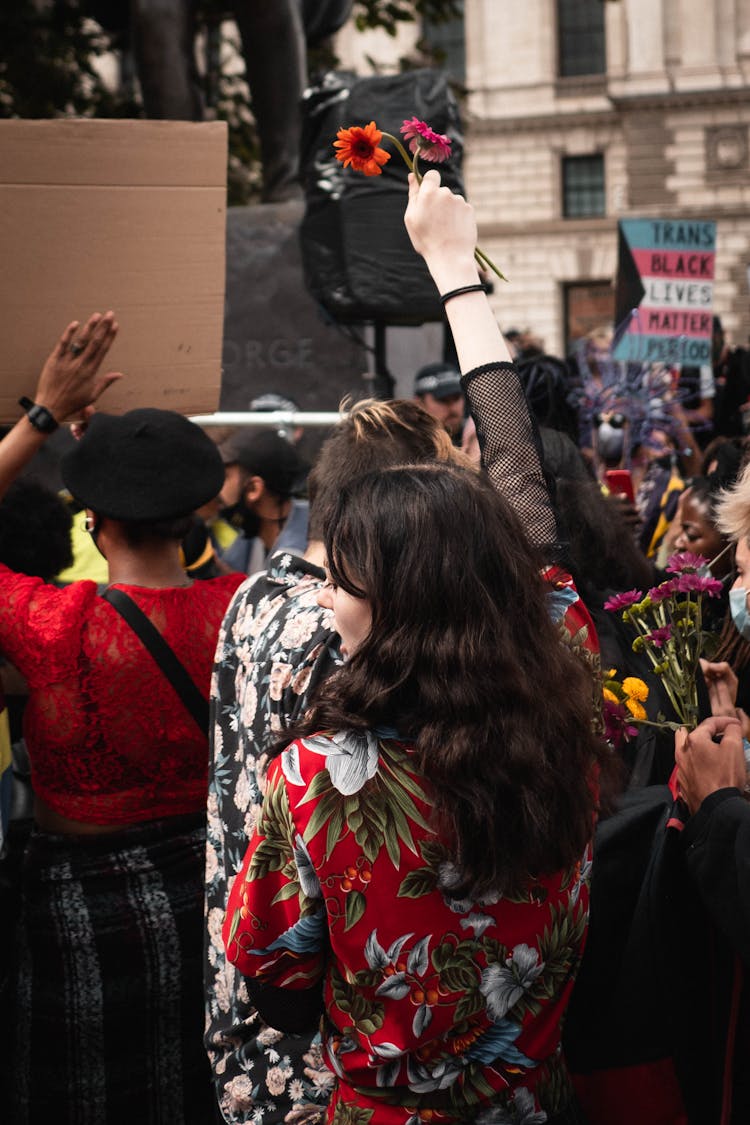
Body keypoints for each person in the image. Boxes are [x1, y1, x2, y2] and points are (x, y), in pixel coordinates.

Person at [222, 171, 610, 1124]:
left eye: (341, 576)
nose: (328, 594)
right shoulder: (565, 679)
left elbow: (275, 984)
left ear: (391, 604)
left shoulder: (314, 776)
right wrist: (452, 270)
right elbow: (516, 471)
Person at [0, 311, 245, 1124]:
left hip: (76, 908)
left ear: (90, 521)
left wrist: (41, 416)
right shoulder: (246, 608)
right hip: (214, 891)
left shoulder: (51, 622)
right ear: (194, 512)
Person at [206, 398, 467, 1124]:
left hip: (260, 989)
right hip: (333, 1032)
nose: (330, 596)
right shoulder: (352, 645)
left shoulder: (253, 594)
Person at [219, 428, 309, 574]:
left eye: (225, 477)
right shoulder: (250, 538)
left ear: (254, 488)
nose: (218, 488)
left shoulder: (302, 549)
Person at [412, 361, 465, 440]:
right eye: (442, 400)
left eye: (456, 398)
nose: (452, 407)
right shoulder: (407, 446)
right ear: (419, 403)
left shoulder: (478, 438)